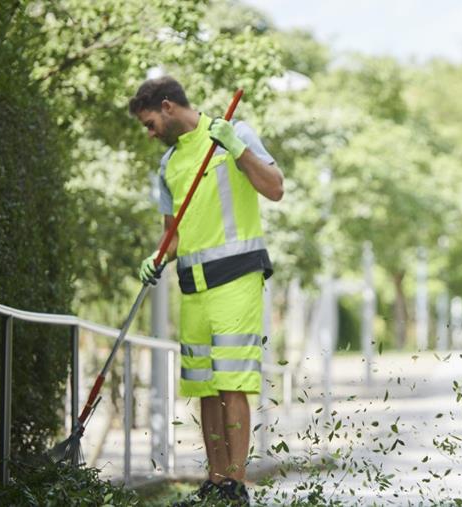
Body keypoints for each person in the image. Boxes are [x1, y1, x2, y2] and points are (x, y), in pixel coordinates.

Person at [128, 76, 284, 505]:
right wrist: (157, 257)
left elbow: (274, 188)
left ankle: (235, 485)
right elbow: (172, 235)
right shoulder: (168, 165)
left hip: (236, 280)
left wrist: (237, 148)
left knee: (232, 383)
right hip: (192, 288)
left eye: (150, 123)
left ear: (168, 106)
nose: (150, 133)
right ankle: (215, 481)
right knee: (205, 388)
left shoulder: (233, 134)